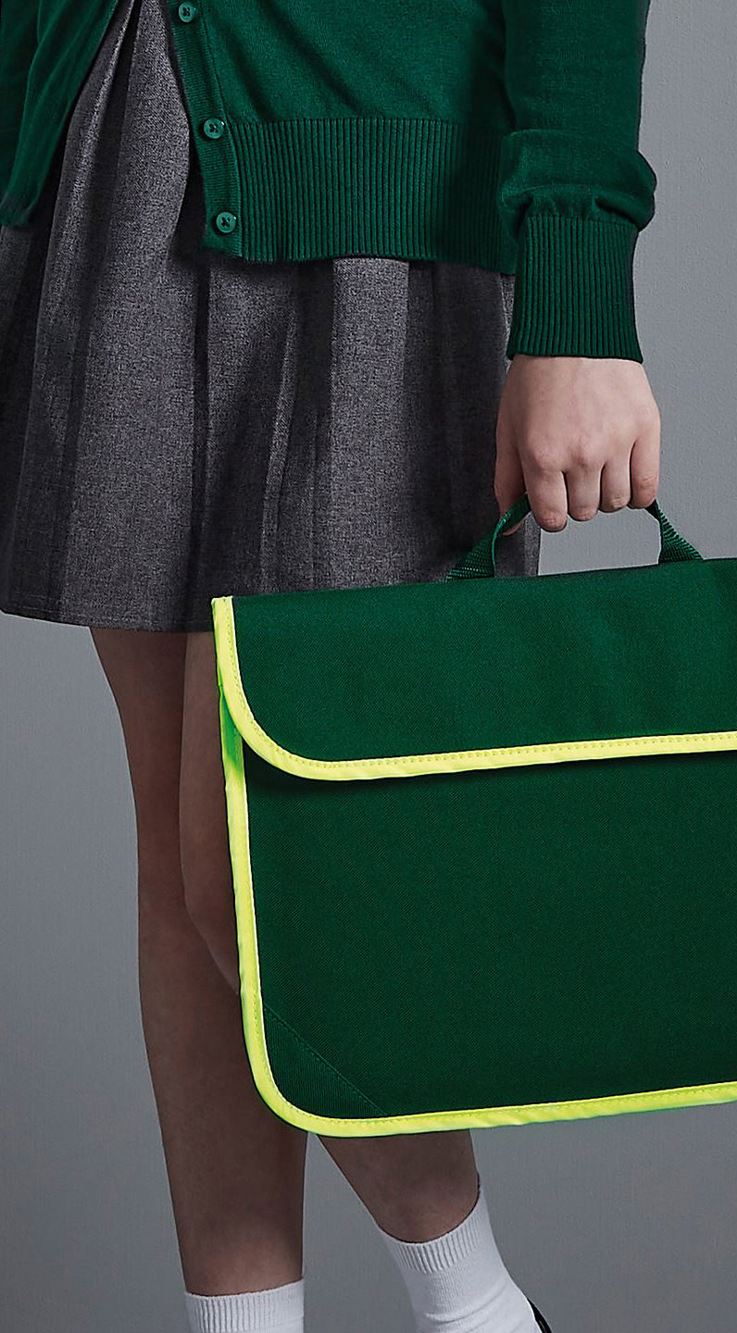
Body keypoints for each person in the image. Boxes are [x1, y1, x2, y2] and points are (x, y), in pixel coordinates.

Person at [0, 1, 662, 1329]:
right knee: (177, 847)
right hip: (110, 126)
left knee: (259, 869)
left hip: (375, 166)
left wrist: (577, 296)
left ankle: (479, 1310)